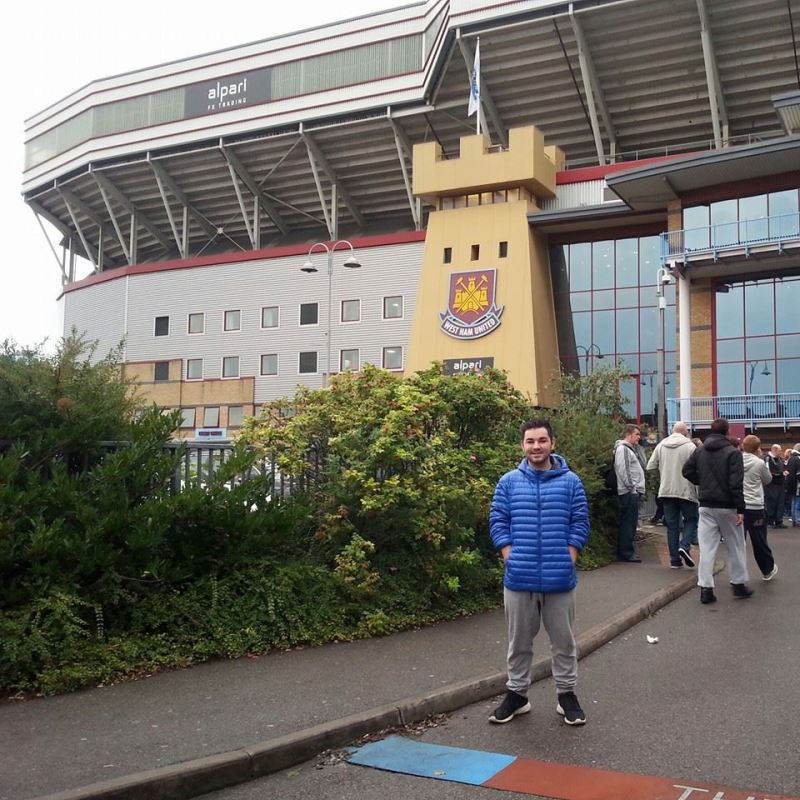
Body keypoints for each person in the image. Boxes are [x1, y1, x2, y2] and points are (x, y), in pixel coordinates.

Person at [488, 419, 590, 726]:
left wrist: (570, 553)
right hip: (519, 577)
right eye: (530, 441)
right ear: (523, 445)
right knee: (518, 642)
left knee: (564, 642)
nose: (536, 446)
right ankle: (517, 695)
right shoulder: (508, 482)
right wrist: (508, 553)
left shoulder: (571, 482)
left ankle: (566, 696)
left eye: (542, 440)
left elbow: (580, 521)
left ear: (552, 443)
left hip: (560, 577)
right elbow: (498, 520)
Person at [682, 417, 753, 604]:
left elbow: (686, 471)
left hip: (706, 505)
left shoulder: (699, 451)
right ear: (727, 432)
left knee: (707, 549)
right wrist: (740, 508)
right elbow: (736, 484)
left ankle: (706, 588)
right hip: (728, 506)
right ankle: (738, 584)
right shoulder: (733, 453)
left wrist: (702, 482)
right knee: (736, 546)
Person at [646, 421, 698, 569]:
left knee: (672, 526)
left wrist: (663, 476)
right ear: (685, 432)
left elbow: (650, 466)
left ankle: (674, 559)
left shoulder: (661, 445)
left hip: (666, 490)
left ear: (672, 430)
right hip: (686, 490)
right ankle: (685, 545)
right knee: (691, 520)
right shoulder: (690, 446)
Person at [741, 435, 778, 581]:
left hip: (740, 506)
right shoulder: (759, 462)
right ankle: (767, 570)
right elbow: (768, 479)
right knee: (759, 540)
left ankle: (738, 575)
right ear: (757, 448)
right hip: (755, 505)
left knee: (739, 541)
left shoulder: (736, 461)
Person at [613, 424, 646, 562]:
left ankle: (626, 551)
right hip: (629, 492)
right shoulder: (624, 450)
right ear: (628, 434)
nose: (639, 437)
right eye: (637, 434)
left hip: (631, 491)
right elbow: (623, 469)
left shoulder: (631, 449)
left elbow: (643, 464)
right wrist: (632, 488)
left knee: (630, 523)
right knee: (628, 523)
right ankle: (626, 552)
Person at [764, 444, 786, 528]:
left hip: (780, 484)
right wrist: (781, 473)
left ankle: (778, 521)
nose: (781, 452)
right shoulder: (768, 458)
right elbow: (768, 471)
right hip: (771, 484)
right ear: (775, 450)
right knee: (771, 503)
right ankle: (770, 521)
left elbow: (782, 468)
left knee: (780, 503)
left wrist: (783, 471)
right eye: (780, 450)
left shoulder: (779, 459)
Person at [784, 444, 800, 526]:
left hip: (791, 484)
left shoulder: (791, 459)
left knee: (794, 502)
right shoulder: (797, 459)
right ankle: (797, 519)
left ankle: (794, 519)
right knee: (797, 502)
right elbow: (798, 473)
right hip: (797, 485)